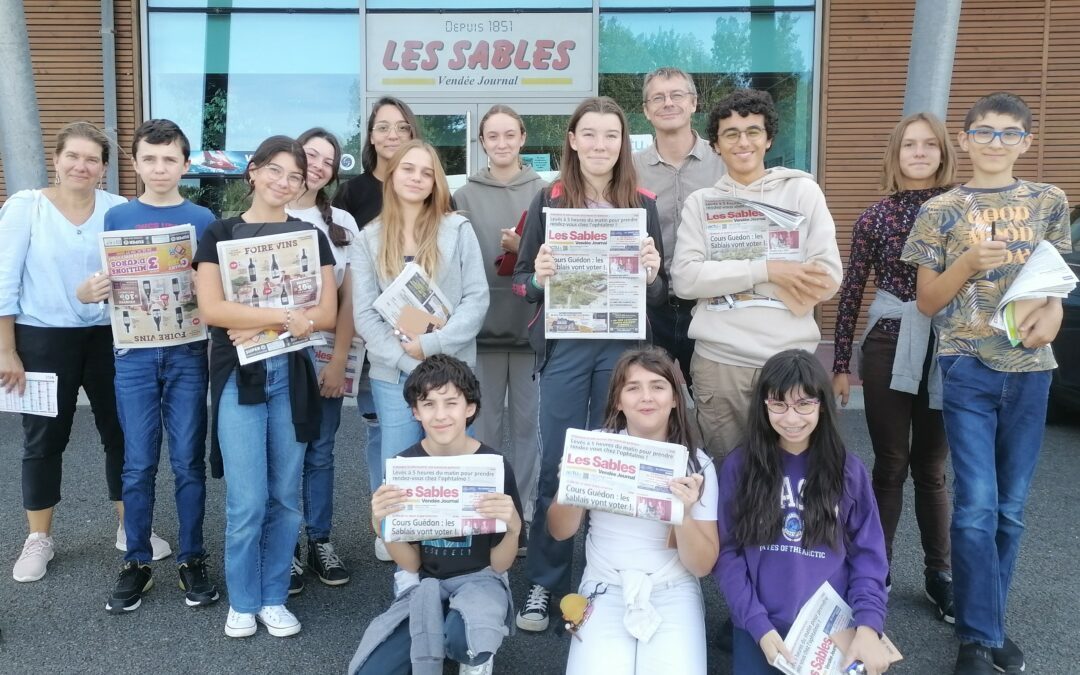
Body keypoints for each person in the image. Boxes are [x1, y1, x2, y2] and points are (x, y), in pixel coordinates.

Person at [900, 92, 1072, 675]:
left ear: (1026, 141)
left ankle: (989, 623)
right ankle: (977, 638)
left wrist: (1050, 321)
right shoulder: (941, 209)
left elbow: (1055, 291)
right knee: (976, 504)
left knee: (1011, 510)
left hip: (1030, 374)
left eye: (1008, 133)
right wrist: (968, 264)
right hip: (967, 367)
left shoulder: (1050, 201)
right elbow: (926, 301)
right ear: (966, 139)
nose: (996, 143)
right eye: (984, 132)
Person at [513, 96, 667, 632]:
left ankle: (610, 573)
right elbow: (522, 284)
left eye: (612, 135)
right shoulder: (547, 199)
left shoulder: (642, 203)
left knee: (615, 461)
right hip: (567, 346)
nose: (601, 145)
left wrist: (651, 274)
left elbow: (663, 293)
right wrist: (540, 276)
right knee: (557, 462)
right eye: (591, 134)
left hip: (623, 348)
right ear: (573, 141)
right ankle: (544, 582)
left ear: (624, 144)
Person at [193, 135, 338, 638]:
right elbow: (212, 310)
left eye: (295, 176)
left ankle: (274, 595)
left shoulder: (307, 237)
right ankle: (243, 599)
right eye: (275, 170)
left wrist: (260, 324)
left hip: (290, 378)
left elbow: (325, 313)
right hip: (240, 378)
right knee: (247, 499)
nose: (283, 182)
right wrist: (282, 317)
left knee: (285, 495)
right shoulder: (219, 233)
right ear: (252, 171)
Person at [76, 119, 218, 612]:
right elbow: (98, 282)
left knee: (187, 463)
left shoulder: (203, 218)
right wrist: (89, 291)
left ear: (185, 163)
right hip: (132, 354)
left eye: (170, 159)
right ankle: (136, 559)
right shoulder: (117, 219)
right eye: (150, 159)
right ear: (135, 164)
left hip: (186, 352)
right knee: (137, 464)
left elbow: (216, 288)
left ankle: (192, 556)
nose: (160, 168)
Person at [831, 112, 957, 623]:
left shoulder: (961, 212)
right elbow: (852, 290)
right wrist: (840, 361)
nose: (920, 153)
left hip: (948, 345)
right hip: (888, 342)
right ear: (896, 153)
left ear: (944, 152)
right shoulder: (875, 216)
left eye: (930, 145)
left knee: (931, 466)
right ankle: (874, 571)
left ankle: (940, 574)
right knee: (891, 461)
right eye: (910, 145)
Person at [671, 88, 842, 458]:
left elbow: (827, 277)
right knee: (726, 475)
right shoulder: (702, 204)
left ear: (768, 140)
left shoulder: (802, 192)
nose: (742, 141)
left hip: (789, 358)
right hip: (720, 363)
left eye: (752, 131)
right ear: (715, 144)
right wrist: (769, 270)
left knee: (789, 476)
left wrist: (721, 276)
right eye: (730, 133)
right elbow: (685, 280)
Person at [0, 121, 128, 583]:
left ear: (104, 169)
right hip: (42, 337)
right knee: (44, 438)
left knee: (121, 432)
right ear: (56, 160)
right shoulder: (26, 207)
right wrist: (6, 350)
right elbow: (4, 281)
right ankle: (39, 538)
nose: (81, 165)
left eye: (92, 159)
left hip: (108, 338)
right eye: (72, 156)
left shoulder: (118, 209)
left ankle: (128, 525)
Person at [715, 349, 891, 675]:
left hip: (830, 627)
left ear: (821, 405)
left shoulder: (848, 471)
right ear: (763, 405)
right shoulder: (740, 467)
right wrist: (756, 624)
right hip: (760, 626)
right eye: (779, 404)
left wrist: (868, 624)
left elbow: (869, 555)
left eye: (804, 404)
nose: (792, 418)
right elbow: (728, 554)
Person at [347, 354, 522, 675]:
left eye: (451, 403)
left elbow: (499, 564)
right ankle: (446, 633)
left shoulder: (493, 466)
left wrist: (513, 529)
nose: (440, 415)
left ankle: (473, 653)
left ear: (469, 407)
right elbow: (411, 563)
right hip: (425, 581)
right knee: (372, 670)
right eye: (428, 404)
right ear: (415, 411)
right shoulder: (404, 468)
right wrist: (380, 523)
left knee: (466, 640)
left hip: (481, 578)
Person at [548, 347, 718, 674]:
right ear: (617, 401)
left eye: (657, 386)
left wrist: (682, 513)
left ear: (674, 399)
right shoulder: (595, 445)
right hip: (604, 584)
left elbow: (702, 565)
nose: (646, 397)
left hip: (673, 587)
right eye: (633, 387)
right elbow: (560, 531)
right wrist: (572, 488)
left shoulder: (697, 464)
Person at [351, 140, 489, 516]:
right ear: (392, 174)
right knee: (398, 467)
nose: (417, 178)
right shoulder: (368, 238)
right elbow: (364, 314)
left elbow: (476, 299)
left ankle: (458, 551)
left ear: (436, 183)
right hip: (393, 373)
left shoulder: (457, 229)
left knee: (454, 467)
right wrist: (408, 360)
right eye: (408, 169)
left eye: (426, 172)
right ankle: (404, 555)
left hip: (452, 369)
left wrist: (431, 345)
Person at [453, 105, 546, 549]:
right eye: (493, 136)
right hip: (481, 332)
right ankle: (487, 513)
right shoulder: (464, 195)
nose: (503, 142)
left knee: (530, 430)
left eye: (510, 134)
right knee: (484, 429)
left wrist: (522, 246)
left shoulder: (544, 191)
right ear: (483, 142)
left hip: (530, 329)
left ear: (523, 138)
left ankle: (523, 513)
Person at [334, 97, 421, 540]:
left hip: (422, 332)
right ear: (370, 136)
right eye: (383, 127)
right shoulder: (353, 193)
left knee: (426, 421)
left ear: (412, 135)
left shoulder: (428, 187)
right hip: (371, 331)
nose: (391, 136)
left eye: (401, 128)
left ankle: (427, 513)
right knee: (380, 427)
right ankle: (384, 518)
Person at [285, 127, 361, 592]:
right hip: (275, 357)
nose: (317, 164)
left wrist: (337, 362)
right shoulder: (261, 216)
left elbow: (351, 301)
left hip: (326, 352)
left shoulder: (344, 224)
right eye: (309, 154)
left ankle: (319, 539)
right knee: (284, 452)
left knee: (321, 450)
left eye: (327, 160)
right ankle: (288, 545)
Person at [633, 67, 726, 386]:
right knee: (649, 400)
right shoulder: (628, 170)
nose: (667, 103)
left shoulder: (723, 164)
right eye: (657, 97)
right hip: (648, 305)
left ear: (694, 103)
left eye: (676, 95)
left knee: (710, 404)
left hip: (710, 305)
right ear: (646, 110)